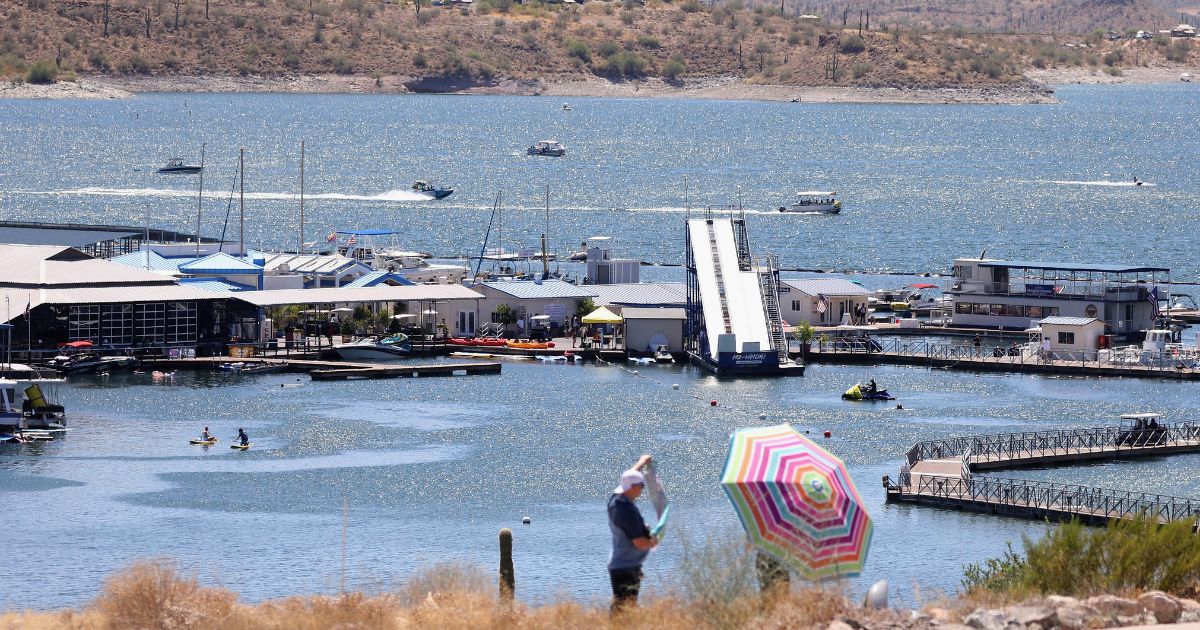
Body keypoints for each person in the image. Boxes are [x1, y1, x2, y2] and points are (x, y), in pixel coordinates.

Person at [608, 454, 657, 613]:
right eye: (641, 485)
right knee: (624, 611)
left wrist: (642, 462)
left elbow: (629, 475)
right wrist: (653, 541)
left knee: (622, 608)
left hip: (623, 564)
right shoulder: (626, 511)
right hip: (626, 567)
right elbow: (639, 543)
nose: (643, 487)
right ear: (633, 487)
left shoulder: (617, 498)